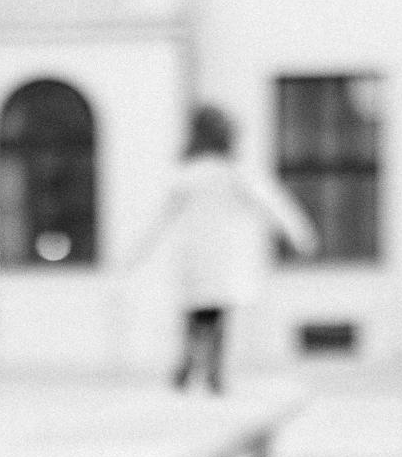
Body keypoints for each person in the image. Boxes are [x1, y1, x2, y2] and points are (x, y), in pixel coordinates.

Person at [121, 104, 319, 394]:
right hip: (225, 257)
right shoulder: (235, 173)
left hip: (194, 256)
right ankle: (212, 368)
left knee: (198, 313)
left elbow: (155, 218)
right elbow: (273, 204)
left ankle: (192, 360)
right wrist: (301, 236)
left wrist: (132, 256)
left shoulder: (187, 174)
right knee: (217, 315)